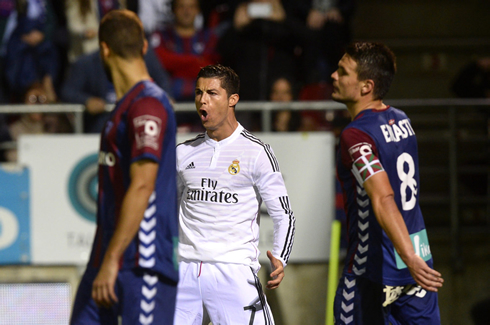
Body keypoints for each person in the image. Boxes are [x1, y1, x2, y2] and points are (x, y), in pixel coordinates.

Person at [70, 10, 179, 325]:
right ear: (144, 46)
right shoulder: (126, 106)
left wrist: (112, 259)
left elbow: (143, 185)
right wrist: (103, 260)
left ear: (104, 49)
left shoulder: (148, 105)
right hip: (107, 261)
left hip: (141, 264)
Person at [331, 42, 444, 324]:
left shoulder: (355, 135)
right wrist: (413, 258)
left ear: (366, 86)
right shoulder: (402, 120)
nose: (334, 76)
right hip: (418, 261)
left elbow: (382, 197)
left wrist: (408, 257)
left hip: (373, 271)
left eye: (343, 72)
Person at [174, 64, 296, 324]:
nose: (202, 99)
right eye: (198, 92)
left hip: (233, 273)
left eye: (212, 93)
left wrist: (280, 256)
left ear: (233, 100)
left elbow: (284, 214)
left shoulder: (257, 152)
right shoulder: (183, 153)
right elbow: (167, 209)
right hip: (185, 272)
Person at [60, 46, 172, 133]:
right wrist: (87, 100)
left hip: (138, 123)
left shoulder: (145, 58)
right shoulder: (87, 62)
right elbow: (67, 91)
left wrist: (163, 97)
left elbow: (163, 83)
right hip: (100, 126)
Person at [150, 0, 220, 102]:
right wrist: (196, 62)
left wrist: (174, 68)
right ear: (173, 10)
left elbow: (213, 69)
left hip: (205, 105)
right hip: (169, 103)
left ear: (198, 10)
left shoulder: (209, 37)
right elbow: (159, 63)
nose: (187, 11)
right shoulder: (162, 36)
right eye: (181, 7)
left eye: (191, 7)